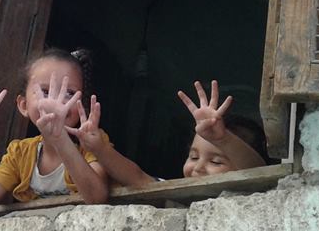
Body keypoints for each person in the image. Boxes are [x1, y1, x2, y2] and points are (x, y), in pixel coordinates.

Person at [0, 49, 109, 221]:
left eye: (68, 93)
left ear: (82, 105)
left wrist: (59, 138)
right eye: (45, 91)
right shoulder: (20, 154)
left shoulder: (91, 143)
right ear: (24, 105)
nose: (55, 101)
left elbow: (97, 198)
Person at [70, 79, 266, 186]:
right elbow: (137, 177)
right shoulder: (175, 193)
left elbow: (257, 172)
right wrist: (100, 149)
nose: (198, 168)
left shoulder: (248, 197)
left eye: (216, 161)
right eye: (193, 157)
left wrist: (223, 139)